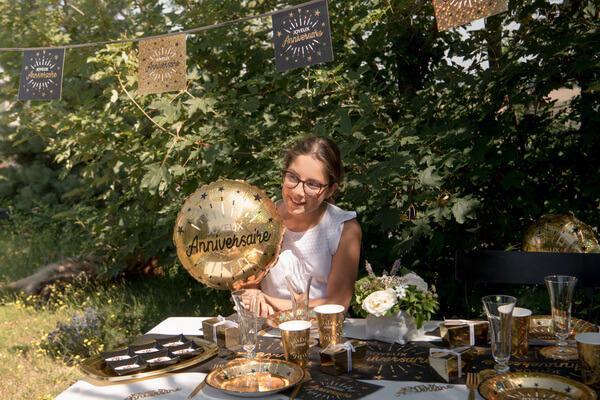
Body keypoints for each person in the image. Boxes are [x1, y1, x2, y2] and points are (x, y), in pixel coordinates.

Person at [244, 136, 361, 316]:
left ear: (330, 189)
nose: (298, 192)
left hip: (321, 333)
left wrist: (268, 301)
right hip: (265, 330)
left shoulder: (344, 229)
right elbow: (247, 284)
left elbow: (337, 304)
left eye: (312, 184)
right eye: (293, 177)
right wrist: (250, 292)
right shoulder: (260, 220)